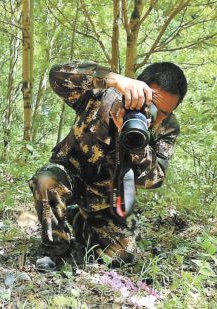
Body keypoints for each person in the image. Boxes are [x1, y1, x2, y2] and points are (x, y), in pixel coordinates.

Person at [29, 61, 187, 267]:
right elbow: (57, 76)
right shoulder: (103, 95)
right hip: (70, 175)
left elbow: (155, 179)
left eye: (164, 112)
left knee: (122, 256)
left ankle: (79, 220)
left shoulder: (167, 128)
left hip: (106, 197)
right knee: (46, 180)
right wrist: (112, 78)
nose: (154, 116)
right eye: (151, 104)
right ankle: (56, 250)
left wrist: (138, 145)